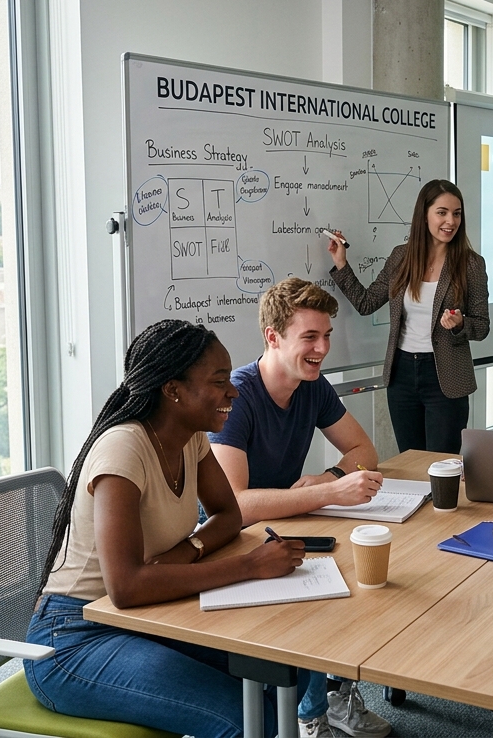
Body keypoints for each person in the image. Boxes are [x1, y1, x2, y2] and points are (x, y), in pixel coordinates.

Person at [25, 320, 310, 738]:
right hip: (73, 638)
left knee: (288, 666)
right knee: (244, 721)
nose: (233, 391)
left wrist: (188, 549)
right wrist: (248, 567)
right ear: (173, 390)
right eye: (218, 382)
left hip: (149, 613)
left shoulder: (189, 437)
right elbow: (125, 587)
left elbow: (228, 515)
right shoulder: (123, 449)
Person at [208, 278, 393, 738]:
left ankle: (324, 702)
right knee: (330, 592)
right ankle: (311, 714)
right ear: (273, 337)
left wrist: (330, 477)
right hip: (229, 544)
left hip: (283, 526)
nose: (322, 348)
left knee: (365, 578)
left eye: (326, 335)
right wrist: (328, 492)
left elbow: (363, 450)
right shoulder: (238, 395)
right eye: (310, 337)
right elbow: (233, 507)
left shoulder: (311, 385)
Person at [329, 179, 489, 454]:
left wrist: (460, 324)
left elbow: (482, 325)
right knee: (410, 461)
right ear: (424, 214)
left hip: (446, 377)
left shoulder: (471, 264)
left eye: (457, 213)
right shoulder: (400, 257)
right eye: (442, 212)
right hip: (402, 373)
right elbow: (366, 303)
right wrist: (341, 264)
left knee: (442, 465)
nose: (450, 221)